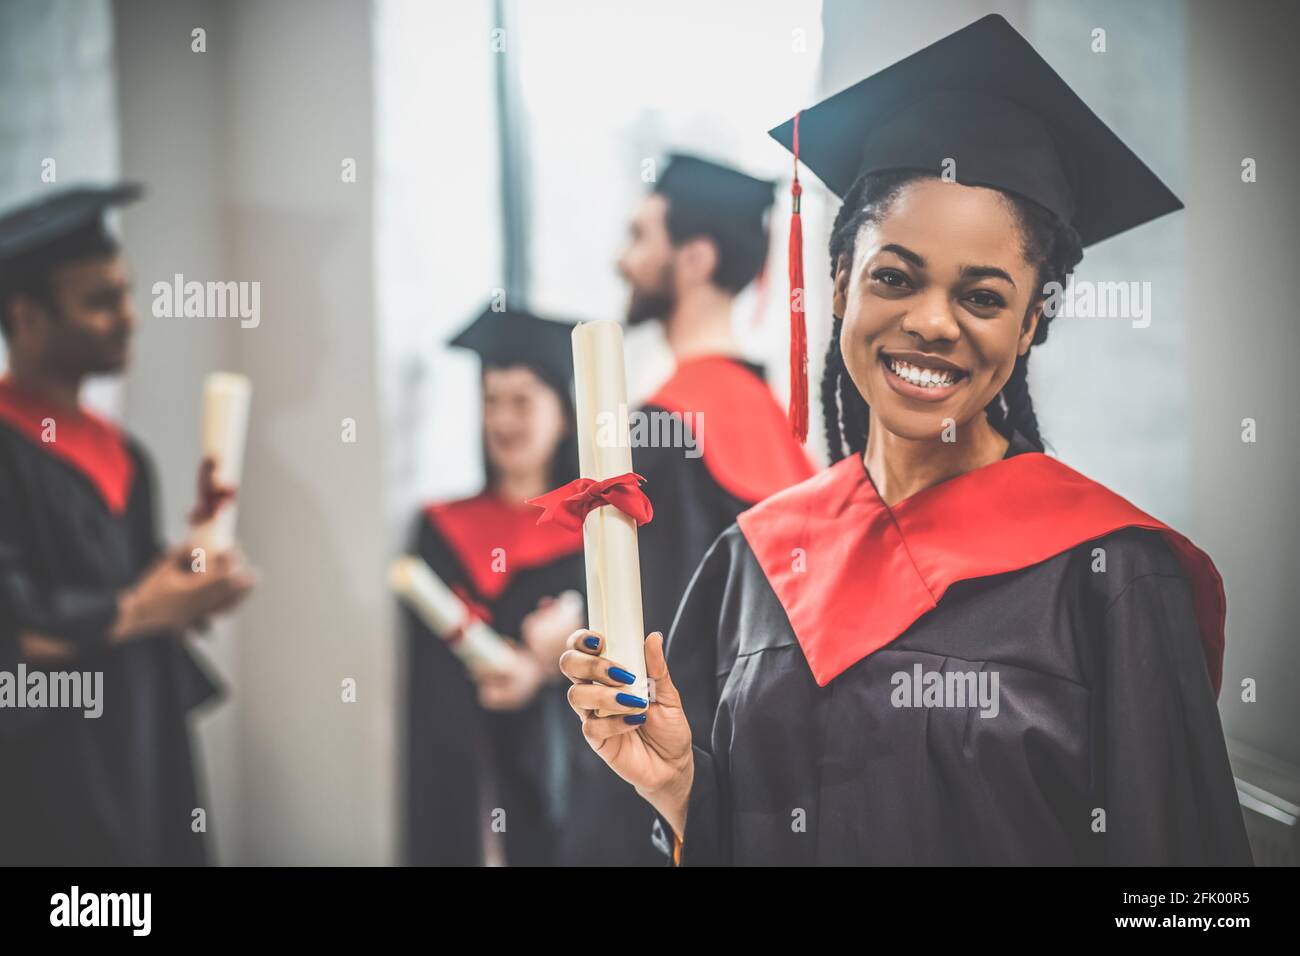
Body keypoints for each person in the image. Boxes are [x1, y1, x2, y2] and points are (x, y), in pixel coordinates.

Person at [559, 15, 1253, 865]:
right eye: (895, 276)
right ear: (843, 280)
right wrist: (678, 789)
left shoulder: (1109, 577)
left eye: (985, 298)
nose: (930, 322)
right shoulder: (754, 562)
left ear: (1034, 320)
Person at [558, 154, 816, 866]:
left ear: (695, 258)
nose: (622, 259)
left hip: (648, 768)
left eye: (641, 236)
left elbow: (640, 640)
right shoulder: (779, 433)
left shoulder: (654, 438)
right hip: (754, 792)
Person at [0, 184, 255, 865]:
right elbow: (19, 626)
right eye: (99, 300)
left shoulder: (123, 453)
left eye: (126, 292)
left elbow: (144, 585)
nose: (129, 317)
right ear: (26, 318)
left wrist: (200, 567)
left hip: (145, 734)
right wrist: (148, 606)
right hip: (48, 759)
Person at [404, 305, 587, 866]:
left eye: (523, 401)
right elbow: (429, 681)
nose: (503, 420)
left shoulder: (594, 529)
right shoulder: (442, 529)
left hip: (570, 776)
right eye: (491, 400)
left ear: (563, 415)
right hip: (469, 770)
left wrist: (541, 670)